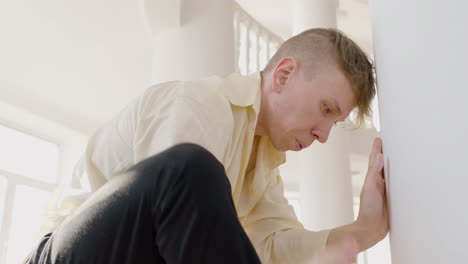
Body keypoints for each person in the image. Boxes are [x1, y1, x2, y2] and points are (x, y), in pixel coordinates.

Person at [26, 28, 388, 264]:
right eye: (326, 109)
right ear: (284, 75)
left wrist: (367, 227)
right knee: (188, 168)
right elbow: (163, 234)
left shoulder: (262, 163)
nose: (323, 135)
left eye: (334, 123)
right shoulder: (198, 105)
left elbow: (278, 248)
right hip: (60, 256)